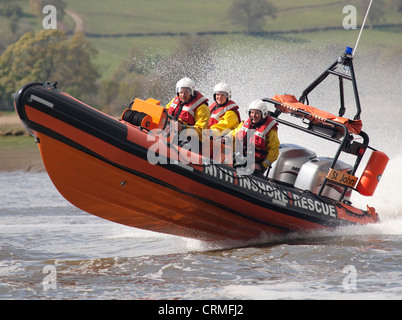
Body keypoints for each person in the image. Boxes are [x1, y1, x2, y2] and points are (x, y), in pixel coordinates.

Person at [230, 99, 280, 177]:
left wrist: (262, 166)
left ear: (263, 114)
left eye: (257, 113)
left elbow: (274, 150)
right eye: (252, 112)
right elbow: (235, 133)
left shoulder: (270, 130)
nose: (253, 115)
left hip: (255, 163)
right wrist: (225, 138)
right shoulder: (246, 123)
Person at [166, 77, 210, 144]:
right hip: (173, 133)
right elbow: (165, 113)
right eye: (181, 92)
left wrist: (183, 128)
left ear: (191, 92)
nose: (183, 95)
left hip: (192, 139)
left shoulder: (202, 108)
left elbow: (201, 130)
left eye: (186, 92)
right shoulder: (175, 101)